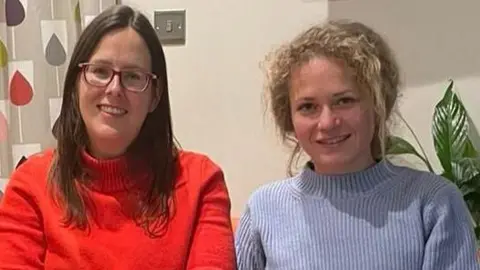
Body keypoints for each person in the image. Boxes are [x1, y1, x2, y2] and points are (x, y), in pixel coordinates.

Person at [0, 5, 235, 269]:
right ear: (76, 83)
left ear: (154, 96)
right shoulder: (30, 186)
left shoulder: (201, 182)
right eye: (100, 71)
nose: (114, 89)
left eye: (133, 77)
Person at [235, 20, 479, 269]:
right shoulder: (263, 209)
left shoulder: (434, 202)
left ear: (378, 105)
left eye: (344, 101)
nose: (327, 122)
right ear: (289, 117)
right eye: (308, 107)